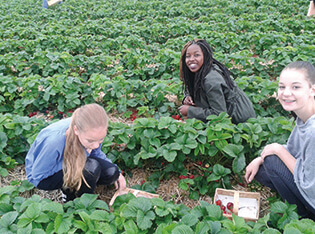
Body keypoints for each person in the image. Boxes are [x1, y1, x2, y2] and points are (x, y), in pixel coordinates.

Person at [245, 61, 315, 220]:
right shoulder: (303, 116)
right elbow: (293, 150)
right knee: (262, 171)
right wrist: (259, 159)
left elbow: (309, 184)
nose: (286, 93)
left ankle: (304, 216)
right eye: (282, 87)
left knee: (272, 161)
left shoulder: (313, 130)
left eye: (296, 87)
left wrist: (278, 150)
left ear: (312, 90)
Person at [25, 103, 126, 202]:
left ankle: (83, 184)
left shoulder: (93, 130)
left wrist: (117, 172)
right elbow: (39, 175)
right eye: (90, 141)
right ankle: (72, 199)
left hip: (72, 160)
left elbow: (96, 153)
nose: (96, 145)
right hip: (44, 177)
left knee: (111, 172)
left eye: (100, 140)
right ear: (76, 130)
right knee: (90, 169)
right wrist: (80, 158)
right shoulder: (54, 142)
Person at [178, 39, 255, 124]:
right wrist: (188, 96)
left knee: (189, 111)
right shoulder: (201, 70)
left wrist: (190, 111)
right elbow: (192, 86)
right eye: (188, 56)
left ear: (205, 56)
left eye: (196, 55)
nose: (191, 59)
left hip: (239, 119)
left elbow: (219, 114)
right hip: (231, 112)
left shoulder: (211, 80)